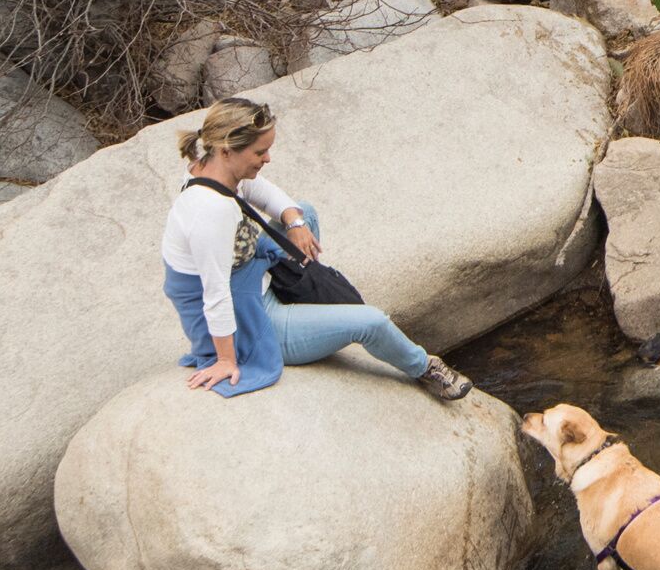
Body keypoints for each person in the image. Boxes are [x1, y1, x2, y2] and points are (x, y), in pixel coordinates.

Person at [164, 96, 474, 400]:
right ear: (227, 150)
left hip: (248, 274)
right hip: (250, 316)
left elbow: (266, 193)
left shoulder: (212, 168)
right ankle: (424, 368)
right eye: (261, 152)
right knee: (372, 322)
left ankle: (306, 298)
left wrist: (296, 224)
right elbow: (214, 294)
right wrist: (227, 361)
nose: (268, 159)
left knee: (304, 212)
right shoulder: (210, 212)